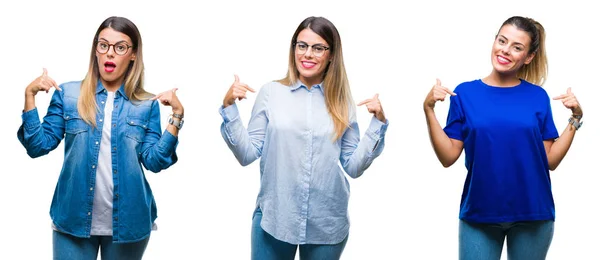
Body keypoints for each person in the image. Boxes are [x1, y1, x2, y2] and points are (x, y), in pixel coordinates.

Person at [220, 16, 389, 260]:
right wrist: (229, 108)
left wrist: (378, 124)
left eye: (318, 48)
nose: (308, 54)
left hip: (327, 222)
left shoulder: (343, 102)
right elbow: (247, 154)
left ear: (331, 55)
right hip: (275, 218)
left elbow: (353, 166)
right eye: (302, 45)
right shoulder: (271, 93)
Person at [17, 16, 184, 260]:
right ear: (95, 49)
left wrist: (177, 117)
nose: (110, 53)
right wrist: (29, 97)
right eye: (103, 45)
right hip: (72, 219)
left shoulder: (146, 104)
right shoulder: (69, 95)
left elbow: (154, 161)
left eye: (120, 47)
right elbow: (37, 146)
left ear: (133, 54)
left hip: (128, 223)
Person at [424, 16, 583, 260]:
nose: (505, 50)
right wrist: (429, 110)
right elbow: (448, 156)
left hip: (533, 213)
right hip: (479, 213)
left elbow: (549, 159)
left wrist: (575, 119)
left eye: (517, 47)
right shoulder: (464, 93)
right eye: (502, 41)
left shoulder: (538, 97)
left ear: (528, 57)